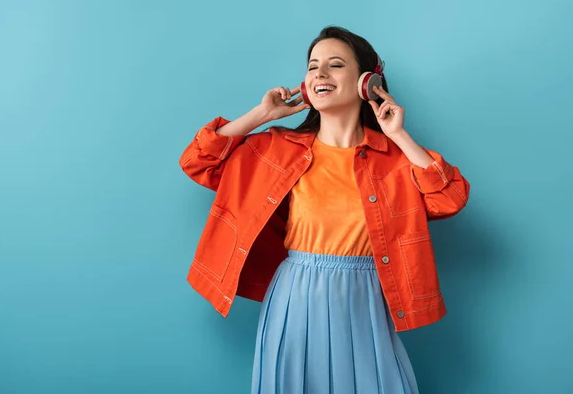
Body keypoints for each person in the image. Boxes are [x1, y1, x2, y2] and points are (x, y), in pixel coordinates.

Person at [179, 25, 470, 394]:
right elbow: (198, 162)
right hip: (296, 292)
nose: (319, 73)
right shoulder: (277, 148)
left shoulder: (395, 157)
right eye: (313, 65)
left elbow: (451, 198)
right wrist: (261, 115)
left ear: (368, 83)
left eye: (335, 65)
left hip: (366, 293)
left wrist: (398, 134)